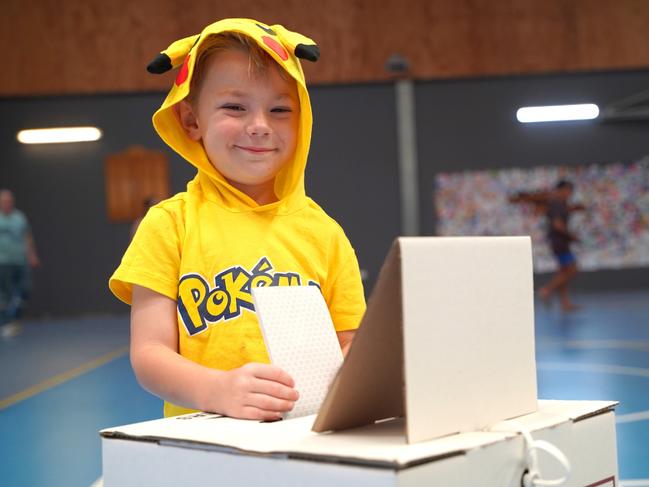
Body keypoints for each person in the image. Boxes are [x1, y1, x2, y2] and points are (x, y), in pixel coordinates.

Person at [109, 19, 366, 420]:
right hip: (205, 446)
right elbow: (149, 354)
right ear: (192, 121)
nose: (260, 126)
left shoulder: (326, 234)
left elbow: (349, 343)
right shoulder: (168, 224)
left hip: (301, 441)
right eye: (234, 107)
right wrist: (218, 391)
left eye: (281, 109)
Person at [510, 180, 584, 311]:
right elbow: (557, 225)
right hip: (560, 242)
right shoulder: (556, 203)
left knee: (563, 271)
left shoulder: (558, 203)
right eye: (567, 191)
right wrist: (572, 236)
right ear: (561, 190)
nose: (569, 194)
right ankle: (546, 290)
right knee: (572, 270)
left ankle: (565, 303)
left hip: (559, 242)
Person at [0, 189, 40, 338]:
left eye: (8, 201)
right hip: (2, 262)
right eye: (3, 201)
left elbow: (27, 237)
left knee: (25, 289)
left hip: (20, 261)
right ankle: (6, 323)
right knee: (4, 295)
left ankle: (14, 318)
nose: (6, 204)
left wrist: (32, 255)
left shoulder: (19, 218)